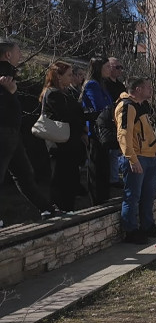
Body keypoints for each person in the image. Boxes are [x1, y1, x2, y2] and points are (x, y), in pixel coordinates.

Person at [0, 38, 54, 222]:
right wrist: (11, 91)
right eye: (17, 52)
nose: (21, 55)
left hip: (12, 133)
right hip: (4, 131)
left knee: (24, 175)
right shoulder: (4, 73)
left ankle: (47, 208)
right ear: (8, 55)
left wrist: (13, 92)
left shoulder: (9, 74)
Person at [116, 78, 156, 244]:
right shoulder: (127, 106)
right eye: (148, 87)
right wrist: (132, 159)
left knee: (148, 195)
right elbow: (123, 135)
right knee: (132, 196)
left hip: (149, 156)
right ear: (138, 89)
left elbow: (148, 131)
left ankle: (147, 226)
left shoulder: (143, 106)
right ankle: (131, 230)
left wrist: (155, 150)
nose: (151, 90)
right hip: (137, 157)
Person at [40, 61, 88, 213]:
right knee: (60, 179)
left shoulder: (65, 93)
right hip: (59, 144)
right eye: (68, 75)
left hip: (68, 144)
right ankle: (59, 209)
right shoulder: (53, 94)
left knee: (70, 178)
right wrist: (81, 124)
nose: (71, 77)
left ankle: (68, 207)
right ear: (58, 77)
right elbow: (67, 116)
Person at [80, 56, 114, 203]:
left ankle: (104, 195)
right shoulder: (92, 85)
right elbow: (100, 106)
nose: (110, 69)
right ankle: (97, 198)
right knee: (96, 165)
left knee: (104, 165)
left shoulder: (102, 84)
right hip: (95, 131)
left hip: (104, 130)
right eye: (107, 67)